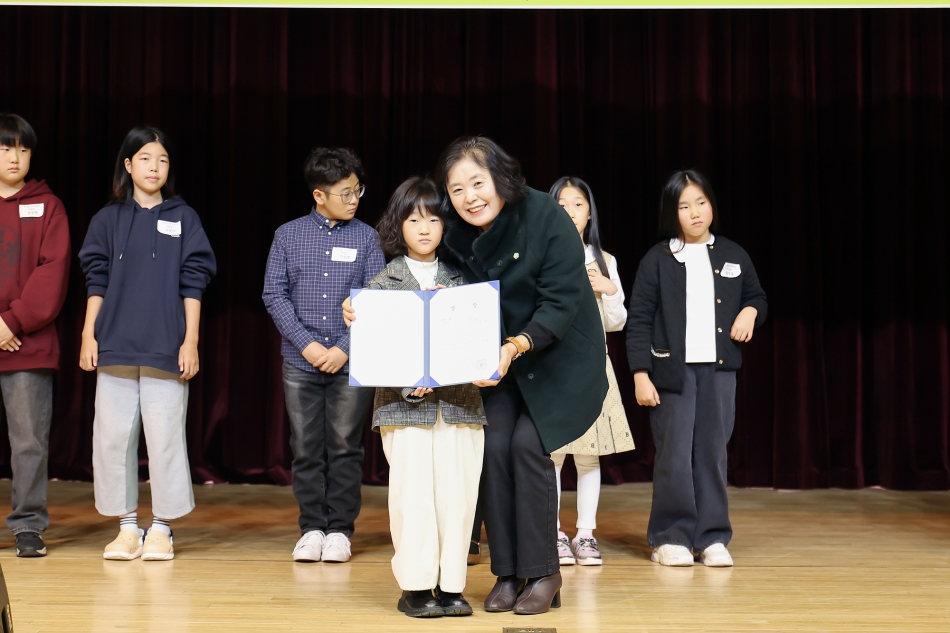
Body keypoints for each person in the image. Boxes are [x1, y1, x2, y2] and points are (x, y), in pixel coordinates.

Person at [433, 136, 607, 615]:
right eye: (457, 189)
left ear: (500, 178)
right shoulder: (454, 231)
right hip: (500, 365)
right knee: (493, 446)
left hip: (561, 359)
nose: (470, 197)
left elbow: (561, 301)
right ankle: (508, 573)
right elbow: (429, 283)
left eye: (477, 182)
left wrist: (514, 346)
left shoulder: (546, 216)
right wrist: (362, 306)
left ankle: (545, 572)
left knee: (529, 446)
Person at [78, 126, 216, 561]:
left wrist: (190, 341)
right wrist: (88, 333)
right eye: (145, 159)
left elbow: (194, 282)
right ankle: (125, 527)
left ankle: (161, 527)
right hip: (115, 342)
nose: (154, 167)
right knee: (113, 438)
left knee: (165, 437)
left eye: (162, 160)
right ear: (128, 164)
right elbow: (95, 278)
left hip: (166, 345)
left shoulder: (183, 217)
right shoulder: (107, 219)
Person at [625, 169, 767, 567]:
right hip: (673, 373)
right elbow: (638, 320)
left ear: (711, 206)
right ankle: (670, 537)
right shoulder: (658, 259)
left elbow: (757, 295)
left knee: (712, 452)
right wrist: (640, 373)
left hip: (719, 372)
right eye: (684, 206)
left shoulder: (733, 254)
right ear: (673, 213)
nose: (695, 213)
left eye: (700, 203)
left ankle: (712, 537)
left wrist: (751, 311)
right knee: (673, 455)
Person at [366, 177, 485, 618]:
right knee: (412, 497)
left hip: (460, 404)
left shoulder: (465, 281)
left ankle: (451, 585)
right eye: (414, 219)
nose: (424, 228)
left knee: (457, 498)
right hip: (404, 407)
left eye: (434, 219)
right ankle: (415, 587)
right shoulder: (381, 283)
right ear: (399, 224)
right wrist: (404, 380)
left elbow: (478, 343)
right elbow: (374, 351)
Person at [263, 147, 384, 564]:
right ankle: (312, 527)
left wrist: (342, 350)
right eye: (346, 193)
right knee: (306, 447)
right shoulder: (288, 235)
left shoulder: (367, 237)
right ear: (319, 195)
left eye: (357, 191)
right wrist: (309, 346)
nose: (354, 200)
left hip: (351, 361)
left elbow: (375, 297)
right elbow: (273, 294)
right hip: (301, 360)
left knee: (346, 446)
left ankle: (340, 531)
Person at [548, 177, 634, 566]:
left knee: (589, 456)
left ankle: (585, 534)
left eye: (578, 204)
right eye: (561, 204)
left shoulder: (605, 260)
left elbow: (616, 322)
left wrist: (607, 289)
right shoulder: (544, 255)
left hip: (592, 368)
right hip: (552, 368)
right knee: (552, 456)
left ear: (589, 212)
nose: (569, 211)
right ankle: (552, 533)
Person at [0, 114, 71, 558]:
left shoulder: (48, 206)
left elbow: (53, 272)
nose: (15, 157)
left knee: (28, 440)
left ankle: (28, 524)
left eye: (23, 149)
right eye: (6, 148)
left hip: (27, 343)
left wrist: (11, 322)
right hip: (9, 332)